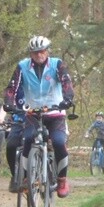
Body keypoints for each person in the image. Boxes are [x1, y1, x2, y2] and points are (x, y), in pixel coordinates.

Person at [5, 35, 75, 198]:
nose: (39, 55)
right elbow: (12, 88)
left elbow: (66, 83)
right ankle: (25, 178)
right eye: (35, 52)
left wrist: (67, 99)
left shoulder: (57, 64)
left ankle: (62, 179)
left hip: (55, 112)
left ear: (47, 51)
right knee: (28, 139)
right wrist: (8, 103)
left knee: (58, 142)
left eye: (42, 51)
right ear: (30, 53)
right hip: (33, 113)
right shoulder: (22, 67)